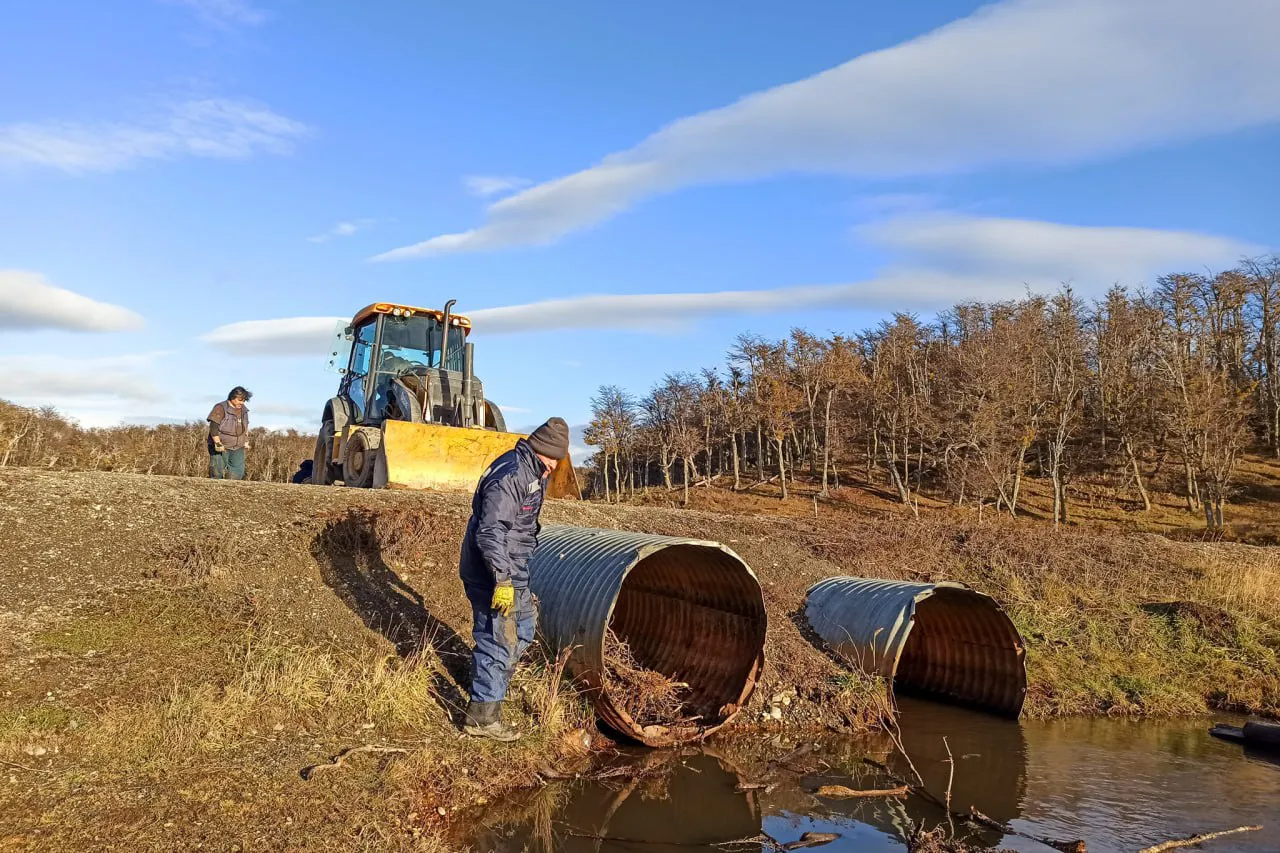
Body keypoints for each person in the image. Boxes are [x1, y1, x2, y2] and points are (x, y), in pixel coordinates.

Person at [458, 417, 570, 741]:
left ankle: (487, 681)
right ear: (541, 450)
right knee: (499, 640)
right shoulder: (512, 474)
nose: (553, 468)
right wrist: (502, 580)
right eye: (552, 460)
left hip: (514, 568)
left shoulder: (533, 471)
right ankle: (482, 718)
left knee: (524, 628)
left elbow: (521, 526)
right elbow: (491, 532)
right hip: (493, 572)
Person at [207, 387, 252, 480]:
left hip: (238, 446)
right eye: (240, 400)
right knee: (216, 472)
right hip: (221, 445)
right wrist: (217, 443)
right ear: (232, 397)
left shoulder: (244, 410)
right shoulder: (220, 407)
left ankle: (232, 487)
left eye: (244, 400)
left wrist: (246, 440)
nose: (242, 403)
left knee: (237, 473)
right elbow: (213, 426)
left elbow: (245, 426)